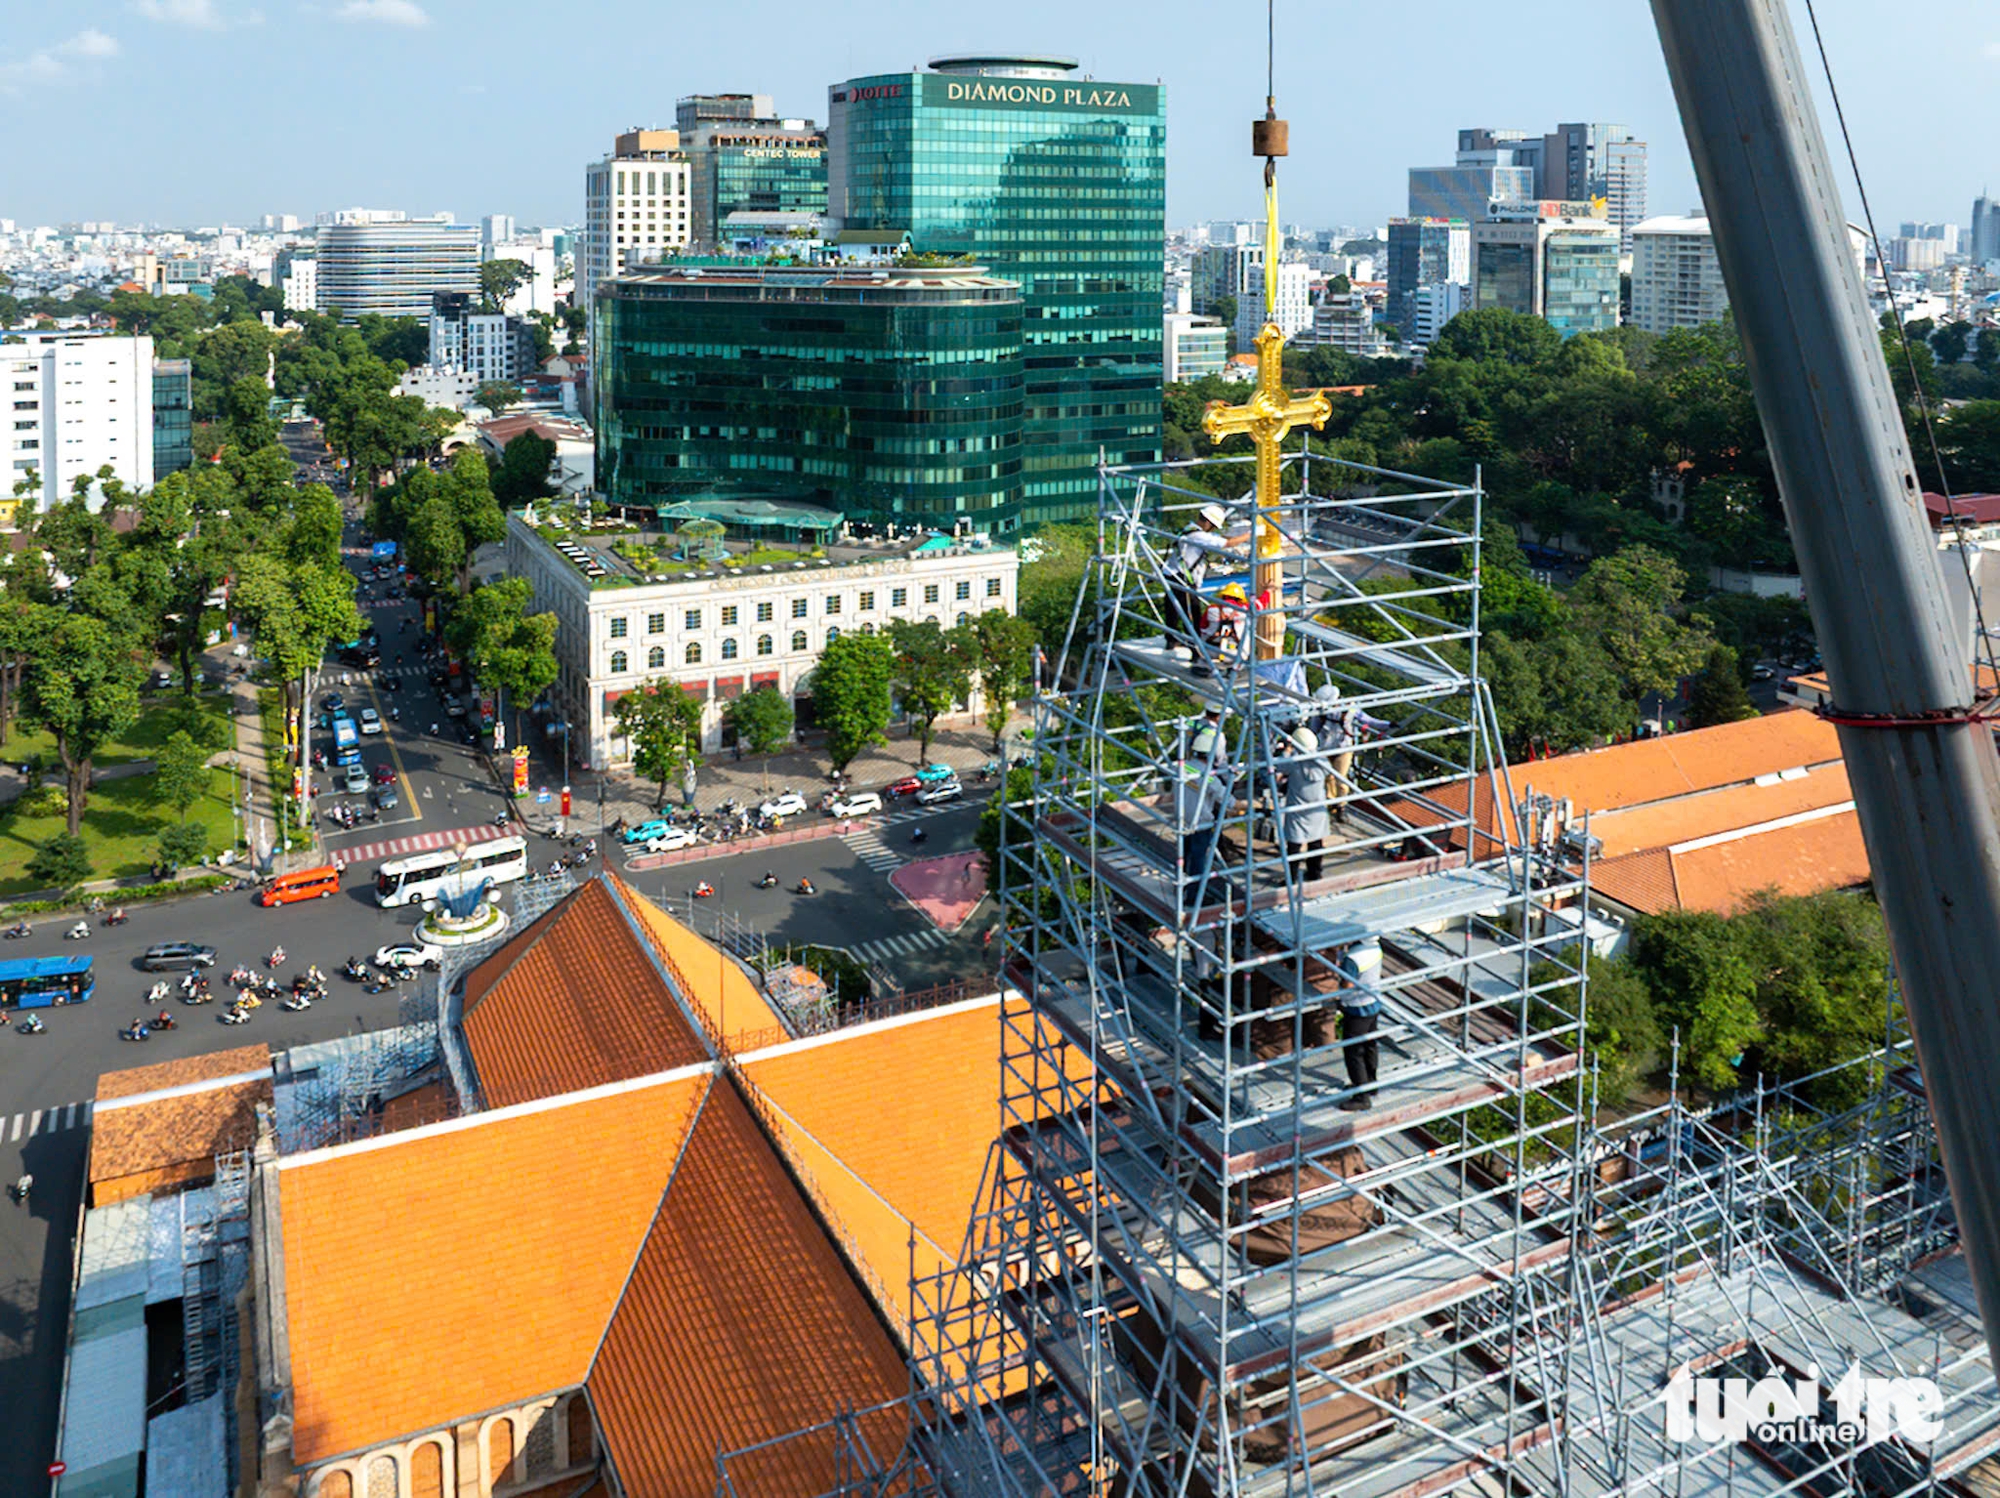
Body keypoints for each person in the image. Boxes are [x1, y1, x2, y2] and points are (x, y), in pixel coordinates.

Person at [1173, 710, 1231, 919]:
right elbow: (1228, 801)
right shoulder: (1208, 777)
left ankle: (1181, 889)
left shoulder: (1182, 767)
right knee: (1198, 860)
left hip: (1183, 820)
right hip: (1200, 824)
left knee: (1184, 856)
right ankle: (1194, 897)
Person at [1166, 502, 1234, 678]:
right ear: (1209, 523)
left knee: (1172, 610)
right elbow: (1226, 543)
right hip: (1183, 580)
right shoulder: (1199, 536)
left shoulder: (1189, 529)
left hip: (1173, 575)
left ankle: (1171, 640)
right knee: (1192, 616)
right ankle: (1196, 653)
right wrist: (1252, 534)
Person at [1278, 722, 1331, 882]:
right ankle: (1315, 873)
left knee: (1294, 846)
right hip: (1317, 809)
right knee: (1316, 842)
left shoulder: (1294, 762)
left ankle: (1291, 878)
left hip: (1297, 809)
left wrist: (1287, 751)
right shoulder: (1322, 760)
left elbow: (1279, 765)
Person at [1336, 936, 1383, 1109]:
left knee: (1353, 1052)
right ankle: (1370, 1084)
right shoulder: (1375, 947)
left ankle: (1361, 1097)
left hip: (1356, 1007)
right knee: (1370, 1044)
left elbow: (1346, 984)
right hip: (1372, 1003)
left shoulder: (1353, 957)